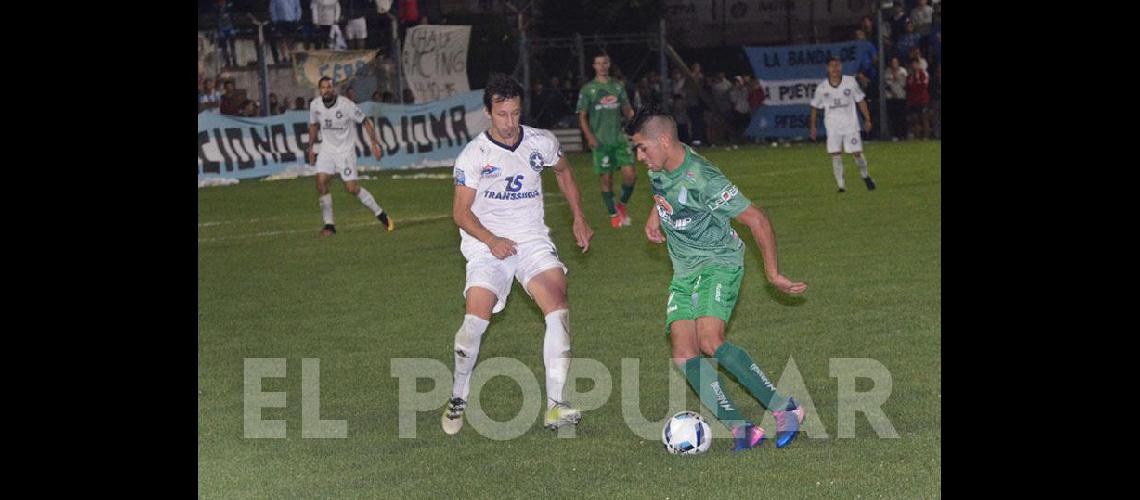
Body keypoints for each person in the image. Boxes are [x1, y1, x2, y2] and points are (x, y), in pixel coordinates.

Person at [624, 106, 808, 451]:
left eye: (642, 147)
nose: (639, 156)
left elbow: (758, 220)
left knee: (710, 341)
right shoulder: (660, 164)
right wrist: (656, 213)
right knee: (683, 352)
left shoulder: (704, 179)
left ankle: (786, 408)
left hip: (718, 262)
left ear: (663, 140)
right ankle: (741, 428)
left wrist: (772, 274)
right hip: (684, 270)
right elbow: (663, 188)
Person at [442, 73, 594, 436]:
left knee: (558, 307)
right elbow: (461, 213)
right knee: (472, 326)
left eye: (514, 113)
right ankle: (457, 397)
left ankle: (556, 405)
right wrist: (492, 239)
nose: (510, 123)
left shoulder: (541, 141)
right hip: (484, 244)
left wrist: (578, 217)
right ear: (488, 113)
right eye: (502, 115)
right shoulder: (473, 155)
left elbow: (564, 171)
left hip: (531, 240)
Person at [307, 76, 393, 236]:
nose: (326, 90)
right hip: (326, 151)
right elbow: (313, 125)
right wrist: (310, 148)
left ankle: (381, 214)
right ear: (320, 90)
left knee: (352, 188)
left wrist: (374, 143)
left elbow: (366, 121)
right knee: (321, 183)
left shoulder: (346, 105)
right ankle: (329, 225)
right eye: (323, 87)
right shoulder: (315, 105)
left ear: (334, 89)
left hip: (345, 152)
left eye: (329, 87)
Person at [576, 53, 636, 229]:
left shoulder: (617, 87)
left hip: (619, 139)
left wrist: (636, 121)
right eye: (598, 63)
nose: (602, 66)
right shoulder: (588, 89)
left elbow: (627, 109)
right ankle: (613, 214)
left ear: (609, 65)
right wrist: (589, 137)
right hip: (601, 142)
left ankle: (621, 205)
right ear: (593, 66)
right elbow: (582, 116)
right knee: (606, 180)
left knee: (630, 175)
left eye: (605, 63)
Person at [809, 57, 876, 193]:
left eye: (837, 65)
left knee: (857, 153)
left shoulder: (850, 82)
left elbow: (860, 101)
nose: (835, 68)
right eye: (832, 66)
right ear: (828, 69)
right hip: (833, 126)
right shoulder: (822, 87)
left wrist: (867, 119)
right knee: (836, 154)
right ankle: (841, 185)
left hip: (850, 125)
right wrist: (813, 126)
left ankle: (865, 175)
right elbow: (814, 107)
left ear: (841, 67)